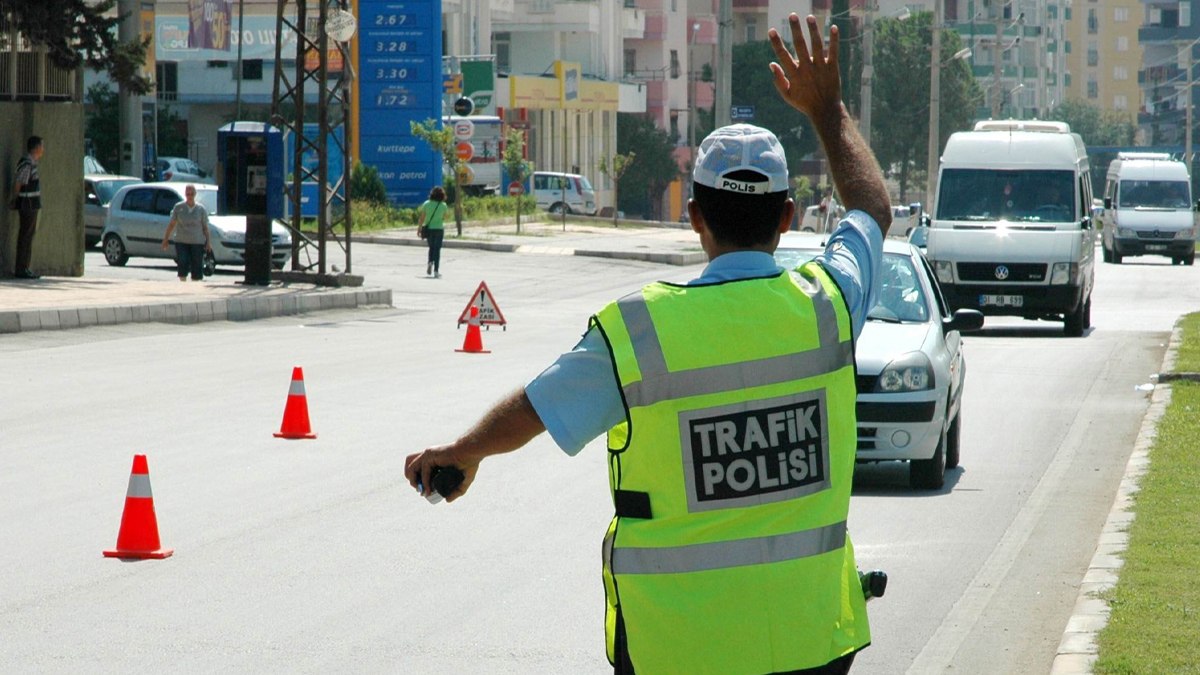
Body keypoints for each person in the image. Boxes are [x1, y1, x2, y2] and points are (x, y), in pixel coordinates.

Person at [404, 14, 892, 674]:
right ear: (787, 217)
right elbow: (870, 210)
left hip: (676, 647)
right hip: (810, 642)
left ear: (695, 216)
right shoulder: (830, 303)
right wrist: (828, 109)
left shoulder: (639, 332)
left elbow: (539, 407)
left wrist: (464, 452)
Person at [160, 184, 212, 281]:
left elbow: (205, 227)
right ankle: (183, 283)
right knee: (182, 262)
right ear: (185, 194)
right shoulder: (178, 207)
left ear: (195, 194)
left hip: (197, 241)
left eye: (192, 194)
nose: (190, 196)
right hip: (181, 241)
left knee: (197, 265)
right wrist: (165, 239)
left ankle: (195, 286)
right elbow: (172, 224)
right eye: (188, 194)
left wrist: (208, 242)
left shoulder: (201, 209)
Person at [10, 136, 44, 279]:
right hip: (27, 204)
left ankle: (25, 267)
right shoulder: (27, 164)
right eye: (42, 146)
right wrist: (15, 198)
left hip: (32, 204)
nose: (43, 149)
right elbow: (19, 182)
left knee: (28, 236)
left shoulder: (32, 163)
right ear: (36, 148)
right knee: (25, 236)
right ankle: (21, 268)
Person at [417, 186, 448, 277]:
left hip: (429, 229)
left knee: (431, 248)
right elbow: (445, 217)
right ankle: (436, 271)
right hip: (439, 229)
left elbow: (422, 218)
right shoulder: (443, 205)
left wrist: (419, 228)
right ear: (442, 195)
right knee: (437, 250)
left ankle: (430, 262)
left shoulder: (426, 204)